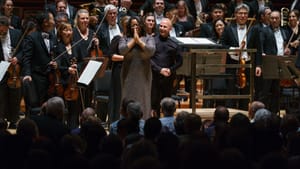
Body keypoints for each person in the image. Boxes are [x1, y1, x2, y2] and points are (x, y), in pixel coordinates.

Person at [220, 3, 262, 111]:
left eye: (245, 13)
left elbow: (258, 48)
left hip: (248, 64)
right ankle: (230, 115)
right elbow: (222, 45)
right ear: (235, 15)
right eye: (240, 13)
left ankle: (243, 114)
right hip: (232, 64)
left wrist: (258, 65)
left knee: (246, 92)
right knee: (231, 92)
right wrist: (233, 50)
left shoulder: (254, 29)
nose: (243, 16)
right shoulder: (229, 28)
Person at [119, 16, 155, 120]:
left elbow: (150, 51)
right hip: (128, 75)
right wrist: (134, 41)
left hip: (144, 74)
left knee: (143, 99)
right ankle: (126, 123)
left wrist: (139, 41)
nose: (135, 27)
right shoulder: (124, 38)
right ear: (129, 27)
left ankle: (144, 123)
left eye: (137, 25)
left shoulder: (149, 38)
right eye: (133, 25)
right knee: (127, 99)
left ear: (141, 25)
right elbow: (122, 50)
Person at [23, 11, 57, 111]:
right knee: (35, 105)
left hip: (50, 77)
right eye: (52, 19)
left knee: (48, 106)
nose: (54, 22)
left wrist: (56, 63)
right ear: (46, 22)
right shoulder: (32, 37)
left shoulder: (53, 36)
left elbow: (56, 54)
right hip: (36, 77)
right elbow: (27, 57)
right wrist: (27, 73)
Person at [259, 10, 290, 114]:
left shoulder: (284, 31)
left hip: (280, 64)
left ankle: (274, 113)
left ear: (280, 19)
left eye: (276, 18)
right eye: (272, 18)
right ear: (269, 19)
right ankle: (262, 113)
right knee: (265, 91)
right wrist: (262, 54)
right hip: (269, 63)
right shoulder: (264, 31)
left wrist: (287, 50)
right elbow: (260, 46)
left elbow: (284, 46)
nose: (274, 20)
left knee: (277, 91)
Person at [151, 18, 183, 117]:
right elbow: (148, 59)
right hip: (154, 77)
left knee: (167, 104)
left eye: (165, 27)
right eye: (160, 26)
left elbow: (180, 61)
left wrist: (170, 70)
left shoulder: (174, 44)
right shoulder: (152, 41)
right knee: (154, 104)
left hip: (168, 78)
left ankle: (166, 125)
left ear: (170, 29)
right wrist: (160, 70)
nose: (162, 28)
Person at [56, 22, 82, 129]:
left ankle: (74, 129)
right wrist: (68, 69)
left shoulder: (76, 45)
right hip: (63, 82)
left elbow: (81, 61)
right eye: (65, 30)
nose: (68, 32)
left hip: (74, 82)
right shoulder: (58, 47)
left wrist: (77, 67)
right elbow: (57, 66)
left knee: (75, 109)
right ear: (60, 32)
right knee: (63, 109)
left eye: (70, 30)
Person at [0, 15, 22, 129]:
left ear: (8, 27)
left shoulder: (17, 34)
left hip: (14, 69)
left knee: (15, 96)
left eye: (3, 30)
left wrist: (17, 58)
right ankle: (1, 121)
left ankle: (13, 120)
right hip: (1, 68)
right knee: (1, 96)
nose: (1, 32)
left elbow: (23, 50)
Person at [108, 15, 130, 123]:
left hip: (131, 71)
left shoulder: (132, 40)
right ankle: (115, 122)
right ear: (123, 26)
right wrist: (126, 58)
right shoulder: (117, 38)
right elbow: (111, 56)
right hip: (119, 71)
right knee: (118, 97)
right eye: (127, 26)